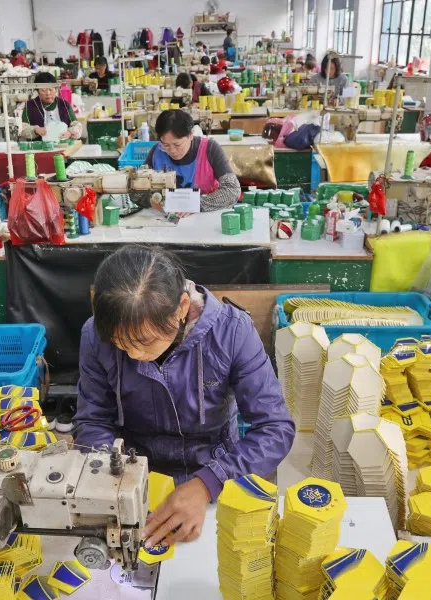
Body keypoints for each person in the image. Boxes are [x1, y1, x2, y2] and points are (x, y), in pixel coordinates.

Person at [75, 245, 295, 548]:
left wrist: (209, 483)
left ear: (181, 307)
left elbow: (275, 429)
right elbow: (93, 418)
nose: (134, 355)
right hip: (136, 474)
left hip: (219, 470)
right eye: (120, 344)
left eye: (145, 341)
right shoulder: (93, 335)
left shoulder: (232, 332)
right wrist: (112, 475)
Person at [137, 110, 240, 215]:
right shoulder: (156, 152)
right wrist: (154, 202)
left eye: (177, 145)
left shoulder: (210, 149)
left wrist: (195, 204)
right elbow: (135, 192)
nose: (172, 150)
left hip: (206, 219)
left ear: (191, 135)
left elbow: (232, 190)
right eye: (166, 145)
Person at [21, 72, 82, 140]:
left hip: (63, 145)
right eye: (43, 90)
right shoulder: (30, 106)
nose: (48, 93)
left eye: (51, 89)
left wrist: (70, 133)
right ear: (37, 91)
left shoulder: (64, 105)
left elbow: (77, 125)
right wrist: (36, 130)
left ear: (55, 89)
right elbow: (22, 129)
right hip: (39, 148)